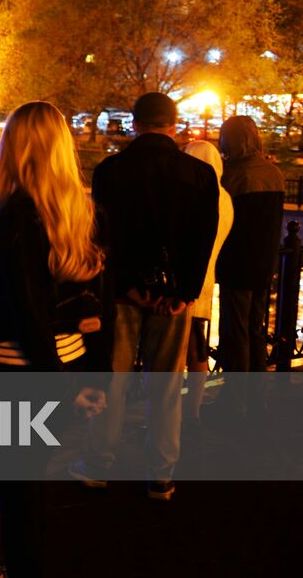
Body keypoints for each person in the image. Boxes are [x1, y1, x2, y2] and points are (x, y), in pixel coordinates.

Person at [0, 101, 108, 578]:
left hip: (20, 371)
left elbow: (28, 314)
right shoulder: (75, 210)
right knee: (33, 482)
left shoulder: (15, 215)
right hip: (65, 360)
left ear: (15, 146)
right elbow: (85, 301)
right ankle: (26, 564)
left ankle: (21, 568)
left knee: (16, 488)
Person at [83, 92, 217, 500]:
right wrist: (184, 292)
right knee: (165, 386)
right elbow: (202, 238)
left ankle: (99, 462)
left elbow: (104, 236)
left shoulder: (111, 171)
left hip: (123, 296)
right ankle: (160, 472)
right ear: (174, 126)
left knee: (113, 380)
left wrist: (126, 285)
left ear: (136, 125)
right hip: (173, 299)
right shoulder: (198, 174)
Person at [214, 115, 284, 420]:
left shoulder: (233, 176)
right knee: (255, 330)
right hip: (264, 263)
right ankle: (258, 396)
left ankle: (234, 398)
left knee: (235, 331)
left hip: (237, 262)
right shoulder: (274, 173)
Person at [182, 140, 233, 430]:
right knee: (198, 351)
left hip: (184, 283)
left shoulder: (192, 193)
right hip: (206, 282)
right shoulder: (225, 197)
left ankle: (168, 413)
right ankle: (193, 411)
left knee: (174, 354)